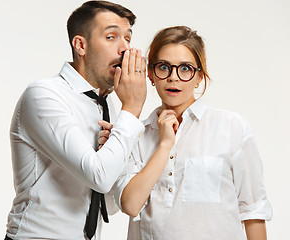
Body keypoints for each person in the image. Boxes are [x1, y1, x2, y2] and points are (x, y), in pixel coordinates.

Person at [102, 26, 272, 239]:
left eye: (185, 68)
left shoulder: (231, 127)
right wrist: (164, 145)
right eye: (164, 67)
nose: (173, 77)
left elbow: (253, 210)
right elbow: (130, 204)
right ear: (151, 74)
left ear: (199, 76)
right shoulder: (134, 135)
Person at [4, 1, 147, 239]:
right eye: (111, 37)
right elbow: (98, 177)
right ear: (81, 45)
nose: (125, 49)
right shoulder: (44, 94)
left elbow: (106, 201)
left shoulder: (105, 103)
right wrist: (132, 108)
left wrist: (118, 142)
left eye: (128, 39)